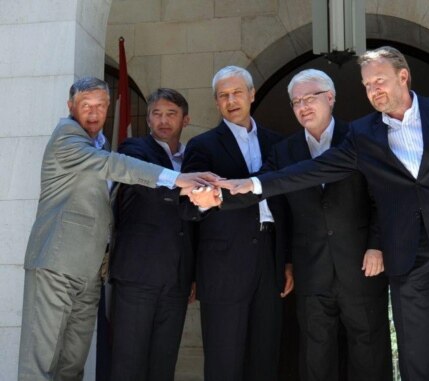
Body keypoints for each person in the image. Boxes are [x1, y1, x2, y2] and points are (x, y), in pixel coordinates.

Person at [215, 47, 429, 380]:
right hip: (406, 254)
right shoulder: (363, 133)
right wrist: (252, 185)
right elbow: (311, 171)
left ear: (403, 77)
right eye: (368, 85)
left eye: (379, 81)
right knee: (417, 351)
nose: (374, 91)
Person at [192, 69, 393, 380]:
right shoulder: (284, 150)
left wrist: (377, 244)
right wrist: (218, 200)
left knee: (369, 355)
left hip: (362, 265)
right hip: (312, 271)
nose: (303, 107)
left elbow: (382, 197)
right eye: (296, 102)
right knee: (316, 359)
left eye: (309, 98)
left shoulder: (359, 138)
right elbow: (260, 186)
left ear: (330, 97)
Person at [18, 77, 217, 381]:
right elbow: (116, 166)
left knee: (72, 365)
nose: (94, 112)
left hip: (89, 273)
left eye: (100, 105)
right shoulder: (67, 137)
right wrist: (178, 179)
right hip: (55, 265)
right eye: (86, 105)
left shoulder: (95, 142)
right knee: (40, 366)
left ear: (108, 107)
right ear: (71, 107)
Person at [180, 66, 294, 381]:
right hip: (222, 265)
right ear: (217, 102)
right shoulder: (202, 146)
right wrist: (204, 200)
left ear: (252, 94)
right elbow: (187, 209)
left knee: (264, 358)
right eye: (224, 96)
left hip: (269, 260)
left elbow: (288, 207)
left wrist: (286, 260)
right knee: (223, 362)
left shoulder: (278, 144)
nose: (231, 101)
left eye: (237, 93)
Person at [109, 88, 197, 381]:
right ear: (148, 119)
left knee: (163, 366)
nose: (163, 120)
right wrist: (185, 186)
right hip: (137, 278)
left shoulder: (194, 159)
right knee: (128, 365)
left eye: (171, 114)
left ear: (185, 120)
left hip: (177, 282)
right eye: (156, 114)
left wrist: (192, 274)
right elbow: (148, 185)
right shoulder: (133, 150)